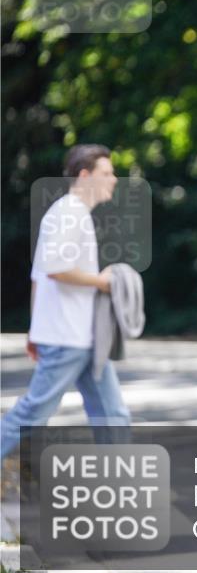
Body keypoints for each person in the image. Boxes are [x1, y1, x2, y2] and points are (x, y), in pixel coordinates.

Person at [1, 144, 131, 461]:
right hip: (68, 339)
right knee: (32, 414)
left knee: (113, 415)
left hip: (82, 338)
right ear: (84, 175)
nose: (114, 179)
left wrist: (34, 330)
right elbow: (56, 270)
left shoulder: (69, 214)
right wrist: (102, 281)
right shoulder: (70, 214)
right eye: (107, 173)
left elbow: (38, 277)